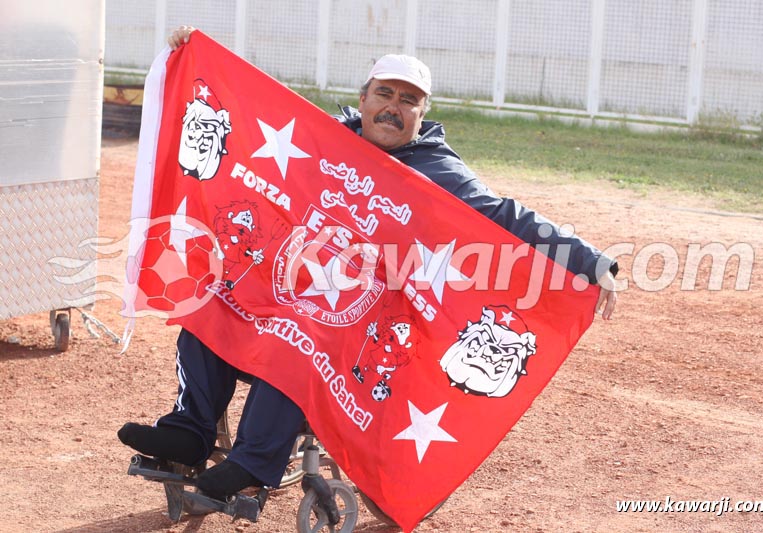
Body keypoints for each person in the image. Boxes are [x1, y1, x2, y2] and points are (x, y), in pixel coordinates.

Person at [119, 25, 618, 502]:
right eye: (385, 94)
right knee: (221, 292)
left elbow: (509, 216)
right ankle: (189, 429)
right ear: (363, 98)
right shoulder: (323, 138)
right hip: (295, 285)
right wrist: (194, 54)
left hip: (365, 322)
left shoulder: (439, 171)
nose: (393, 108)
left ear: (423, 113)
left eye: (408, 100)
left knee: (300, 329)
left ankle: (252, 463)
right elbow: (249, 119)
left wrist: (592, 262)